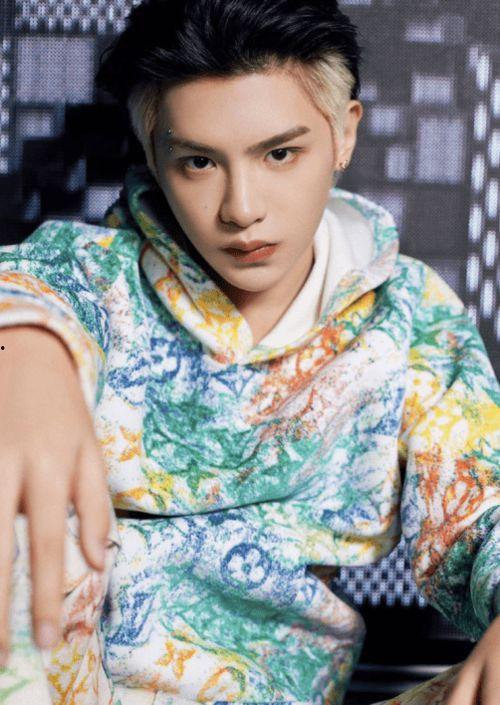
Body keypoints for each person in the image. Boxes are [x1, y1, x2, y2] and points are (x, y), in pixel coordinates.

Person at [0, 1, 498, 703]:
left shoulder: (410, 318)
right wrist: (24, 350)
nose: (241, 208)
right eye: (199, 162)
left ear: (344, 133)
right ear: (154, 156)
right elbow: (29, 292)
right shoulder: (87, 277)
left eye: (279, 154)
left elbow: (481, 512)